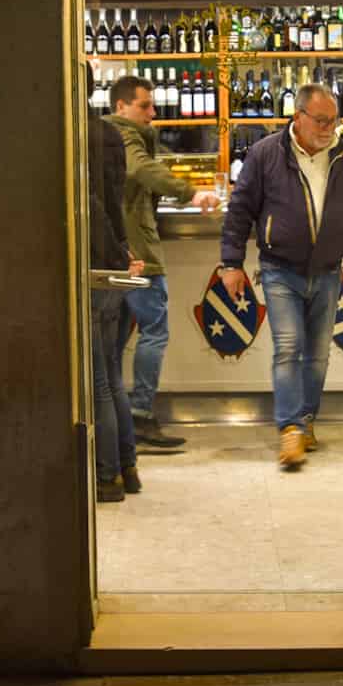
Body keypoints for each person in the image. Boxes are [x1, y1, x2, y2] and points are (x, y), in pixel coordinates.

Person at [219, 82, 343, 471]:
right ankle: (290, 427)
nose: (328, 128)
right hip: (279, 269)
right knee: (289, 347)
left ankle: (307, 419)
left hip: (328, 270)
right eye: (321, 120)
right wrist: (231, 263)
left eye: (334, 120)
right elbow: (240, 211)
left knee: (319, 355)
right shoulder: (265, 154)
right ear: (299, 117)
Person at [106, 75, 218, 455]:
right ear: (121, 106)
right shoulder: (123, 136)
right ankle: (138, 414)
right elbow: (142, 170)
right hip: (138, 252)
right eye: (144, 106)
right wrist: (190, 192)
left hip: (118, 252)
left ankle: (115, 419)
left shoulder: (109, 134)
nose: (153, 113)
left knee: (115, 340)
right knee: (153, 330)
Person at [87, 113, 140, 503]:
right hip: (114, 257)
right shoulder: (110, 132)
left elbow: (89, 202)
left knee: (99, 382)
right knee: (112, 376)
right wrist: (123, 250)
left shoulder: (70, 135)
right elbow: (115, 197)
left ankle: (107, 478)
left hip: (93, 261)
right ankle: (127, 467)